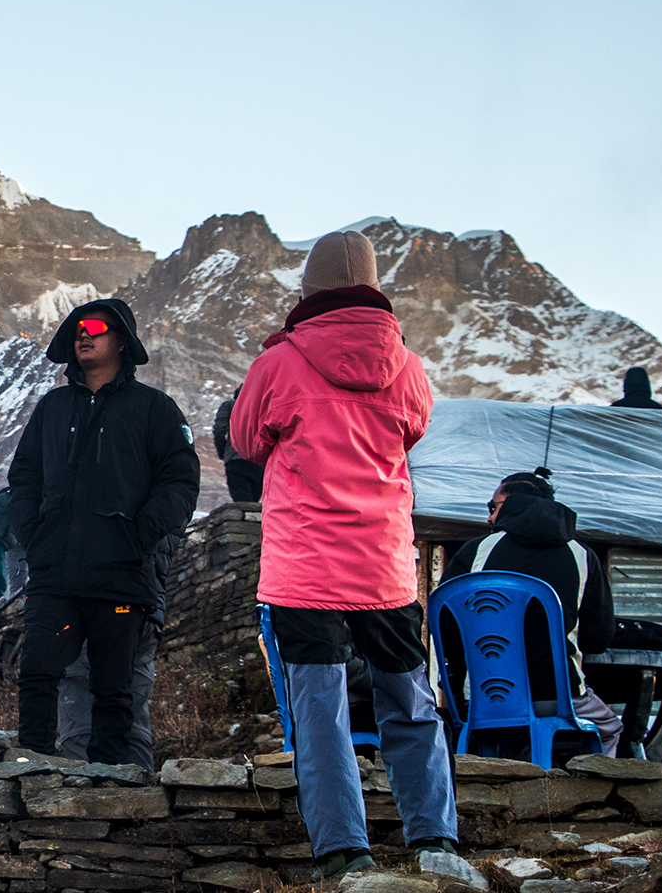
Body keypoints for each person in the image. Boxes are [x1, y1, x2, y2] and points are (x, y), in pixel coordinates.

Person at [229, 230, 470, 884]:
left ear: (309, 291)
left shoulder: (278, 365)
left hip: (305, 570)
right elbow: (412, 430)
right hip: (385, 568)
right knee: (410, 704)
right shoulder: (409, 368)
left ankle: (344, 852)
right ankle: (436, 840)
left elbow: (247, 438)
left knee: (322, 712)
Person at [6, 298, 199, 764]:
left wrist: (138, 536)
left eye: (94, 327)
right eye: (76, 331)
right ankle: (27, 772)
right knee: (36, 674)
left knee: (114, 688)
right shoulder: (52, 408)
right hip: (55, 575)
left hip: (121, 575)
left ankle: (113, 785)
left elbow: (180, 481)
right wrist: (37, 538)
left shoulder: (155, 409)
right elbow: (24, 478)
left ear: (121, 341)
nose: (83, 336)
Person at [441, 470, 622, 757]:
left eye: (493, 507)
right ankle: (593, 798)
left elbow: (445, 629)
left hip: (482, 695)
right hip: (559, 696)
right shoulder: (581, 556)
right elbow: (598, 638)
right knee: (612, 729)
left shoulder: (476, 551)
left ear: (516, 504)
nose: (488, 518)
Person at [56, 535, 177, 767]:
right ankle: (142, 796)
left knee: (82, 710)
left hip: (93, 598)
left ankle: (88, 796)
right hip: (147, 599)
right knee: (130, 710)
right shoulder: (162, 503)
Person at [212, 389, 264, 503]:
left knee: (243, 504)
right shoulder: (264, 408)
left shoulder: (230, 405)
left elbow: (219, 430)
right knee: (253, 505)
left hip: (236, 460)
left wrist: (222, 452)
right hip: (260, 463)